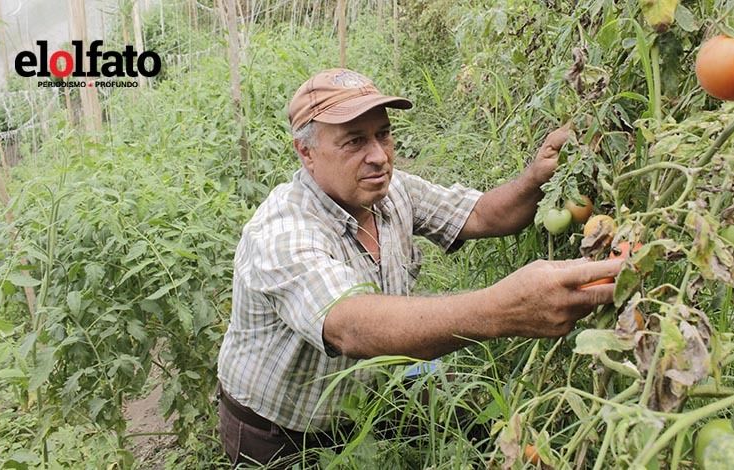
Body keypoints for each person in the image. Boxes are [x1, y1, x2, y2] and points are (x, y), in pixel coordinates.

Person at [216, 68, 622, 467]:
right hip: (277, 434)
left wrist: (537, 176)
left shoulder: (391, 193)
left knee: (471, 432)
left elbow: (481, 214)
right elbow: (353, 327)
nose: (378, 156)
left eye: (383, 135)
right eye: (354, 141)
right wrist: (506, 310)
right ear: (306, 153)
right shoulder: (282, 231)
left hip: (361, 400)